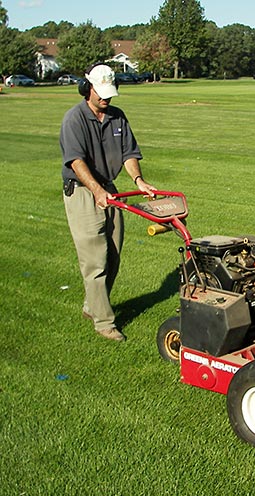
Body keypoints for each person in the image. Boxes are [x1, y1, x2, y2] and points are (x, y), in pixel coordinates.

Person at [60, 63, 156, 341]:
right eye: (101, 92)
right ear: (86, 88)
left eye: (109, 93)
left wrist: (138, 181)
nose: (106, 98)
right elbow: (76, 161)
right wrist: (96, 191)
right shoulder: (73, 119)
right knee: (95, 258)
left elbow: (129, 154)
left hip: (109, 190)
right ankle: (104, 322)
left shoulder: (117, 117)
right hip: (81, 190)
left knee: (113, 253)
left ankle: (93, 305)